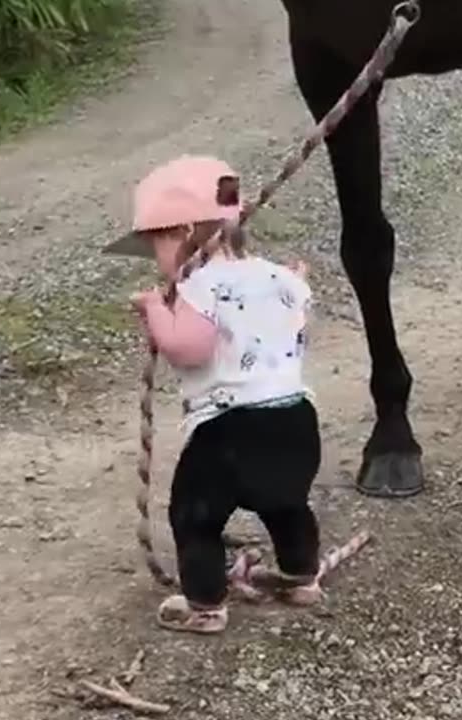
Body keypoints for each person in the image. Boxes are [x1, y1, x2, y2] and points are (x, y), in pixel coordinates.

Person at [113, 155, 322, 634]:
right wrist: (298, 282)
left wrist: (153, 310)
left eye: (156, 245)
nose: (158, 261)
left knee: (196, 514)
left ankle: (204, 603)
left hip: (230, 428)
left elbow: (188, 348)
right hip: (295, 417)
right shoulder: (280, 277)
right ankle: (300, 575)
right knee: (288, 501)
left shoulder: (198, 285)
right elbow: (294, 321)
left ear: (181, 232)